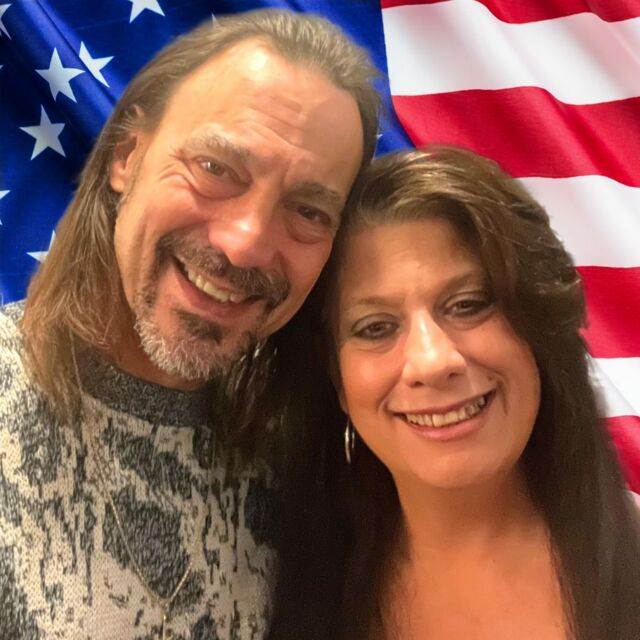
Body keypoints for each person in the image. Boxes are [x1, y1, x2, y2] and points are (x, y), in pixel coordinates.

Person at [0, 9, 380, 639]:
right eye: (216, 169)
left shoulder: (319, 463)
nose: (245, 243)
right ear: (128, 156)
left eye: (308, 211)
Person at [267, 147, 640, 640]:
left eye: (468, 304)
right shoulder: (268, 584)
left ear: (539, 329)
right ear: (336, 375)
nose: (432, 361)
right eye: (376, 327)